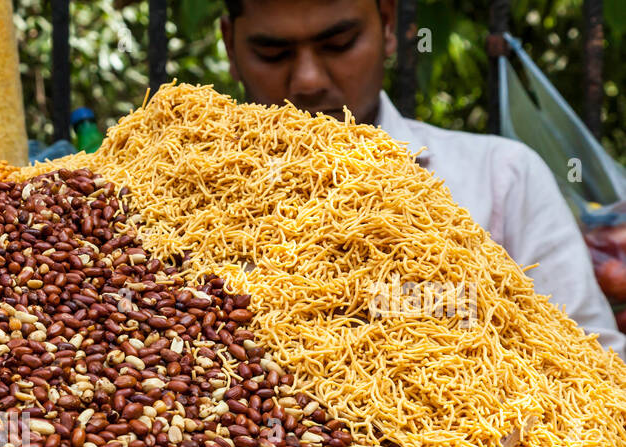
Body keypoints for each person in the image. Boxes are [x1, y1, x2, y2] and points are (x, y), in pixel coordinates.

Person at [219, 0, 626, 358]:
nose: (307, 80)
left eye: (338, 44)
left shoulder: (501, 176)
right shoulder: (175, 203)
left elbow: (595, 363)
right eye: (272, 53)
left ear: (388, 24)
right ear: (230, 46)